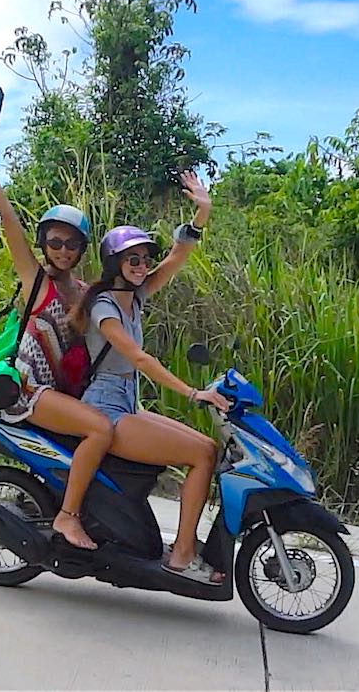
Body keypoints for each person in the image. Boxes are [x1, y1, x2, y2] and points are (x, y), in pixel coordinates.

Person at [71, 172, 233, 585]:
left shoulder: (134, 297)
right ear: (116, 265)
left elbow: (177, 257)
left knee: (209, 448)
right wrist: (193, 393)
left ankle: (184, 543)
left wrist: (203, 212)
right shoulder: (106, 307)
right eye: (134, 260)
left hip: (127, 403)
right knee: (199, 456)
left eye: (145, 258)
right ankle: (181, 554)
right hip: (106, 410)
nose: (143, 266)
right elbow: (140, 359)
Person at [0, 135, 112, 551]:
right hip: (32, 392)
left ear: (82, 248)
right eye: (54, 242)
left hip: (70, 393)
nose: (63, 250)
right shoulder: (37, 281)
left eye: (71, 244)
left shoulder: (86, 291)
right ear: (44, 244)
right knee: (99, 431)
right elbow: (8, 220)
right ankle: (68, 519)